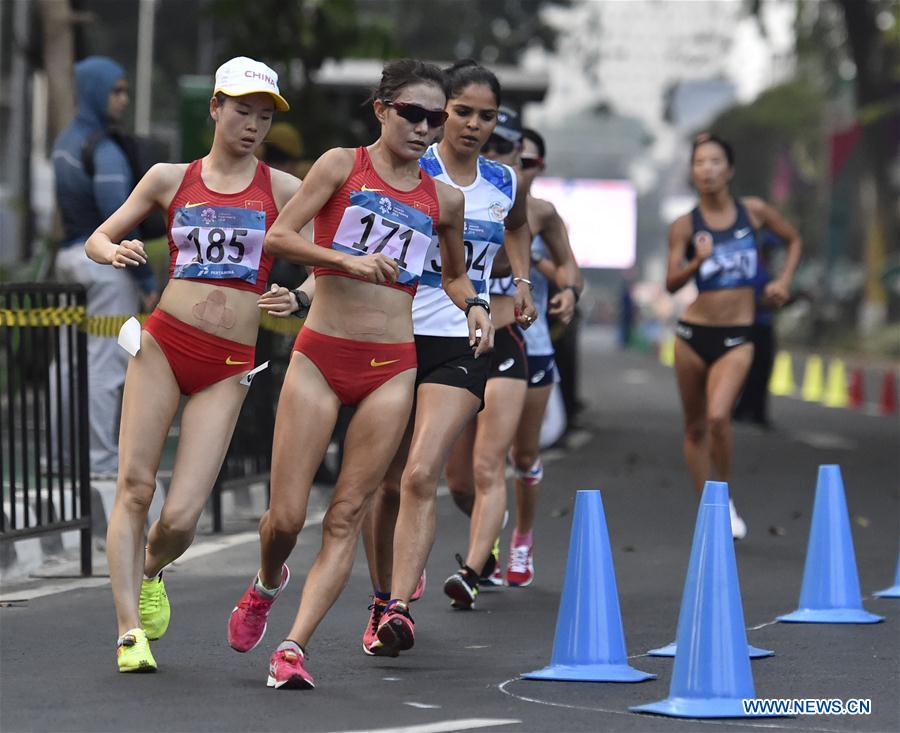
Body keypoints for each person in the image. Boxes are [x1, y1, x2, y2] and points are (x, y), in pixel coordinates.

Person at [226, 59, 494, 690]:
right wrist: (345, 259)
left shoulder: (443, 200)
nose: (426, 128)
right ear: (382, 109)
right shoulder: (341, 165)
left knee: (345, 513)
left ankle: (293, 648)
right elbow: (280, 238)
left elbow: (452, 275)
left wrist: (476, 304)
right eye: (413, 114)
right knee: (286, 519)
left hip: (391, 368)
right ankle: (268, 581)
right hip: (321, 357)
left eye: (436, 117)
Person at [84, 56, 299, 672]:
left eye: (263, 115)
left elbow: (330, 252)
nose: (252, 125)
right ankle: (129, 631)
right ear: (215, 107)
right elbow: (99, 237)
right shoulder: (167, 177)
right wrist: (114, 250)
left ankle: (151, 569)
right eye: (241, 110)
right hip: (164, 345)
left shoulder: (282, 190)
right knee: (135, 487)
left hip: (229, 363)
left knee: (179, 520)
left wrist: (300, 293)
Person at [359, 60, 536, 655]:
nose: (472, 125)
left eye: (487, 116)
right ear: (440, 112)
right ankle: (381, 597)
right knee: (383, 485)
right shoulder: (411, 169)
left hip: (462, 338)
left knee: (420, 472)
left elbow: (518, 229)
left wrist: (522, 285)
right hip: (391, 336)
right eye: (461, 112)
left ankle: (402, 609)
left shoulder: (504, 182)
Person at [666, 133, 801, 538]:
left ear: (730, 170)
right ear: (692, 172)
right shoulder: (685, 225)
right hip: (692, 335)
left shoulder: (754, 212)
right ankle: (709, 509)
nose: (706, 169)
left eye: (714, 161)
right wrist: (695, 263)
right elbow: (671, 283)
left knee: (719, 418)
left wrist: (783, 281)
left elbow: (793, 240)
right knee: (694, 428)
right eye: (699, 162)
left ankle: (723, 496)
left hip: (738, 335)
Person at [440, 105, 538, 605]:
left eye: (504, 145)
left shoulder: (523, 202)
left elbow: (564, 267)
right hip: (449, 341)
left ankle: (474, 570)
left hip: (503, 341)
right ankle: (489, 534)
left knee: (488, 464)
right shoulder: (438, 187)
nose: (495, 152)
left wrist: (544, 286)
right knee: (456, 481)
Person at [51, 56, 159, 478]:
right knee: (104, 365)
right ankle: (97, 461)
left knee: (67, 361)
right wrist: (146, 279)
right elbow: (119, 218)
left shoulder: (65, 141)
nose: (123, 100)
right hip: (102, 266)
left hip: (69, 259)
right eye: (116, 90)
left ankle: (58, 458)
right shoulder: (104, 148)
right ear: (95, 90)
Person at [505, 127, 582, 587]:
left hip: (531, 347)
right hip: (478, 340)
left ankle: (521, 537)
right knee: (473, 466)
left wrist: (567, 288)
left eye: (529, 164)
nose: (520, 170)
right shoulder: (469, 200)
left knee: (523, 452)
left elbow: (571, 268)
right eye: (514, 159)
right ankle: (484, 541)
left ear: (540, 167)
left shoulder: (543, 213)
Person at [733, 230, 785, 427]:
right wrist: (771, 302)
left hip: (763, 324)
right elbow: (752, 300)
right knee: (754, 370)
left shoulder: (767, 270)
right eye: (772, 250)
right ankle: (748, 411)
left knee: (761, 371)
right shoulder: (755, 270)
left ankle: (752, 411)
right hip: (754, 326)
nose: (774, 254)